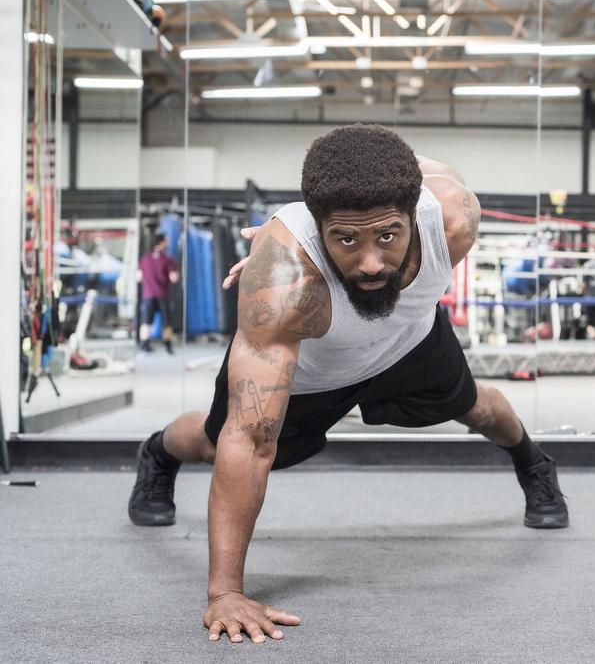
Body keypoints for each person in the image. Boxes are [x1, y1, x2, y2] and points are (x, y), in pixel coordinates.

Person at [127, 125, 569, 644]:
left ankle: (533, 463)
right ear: (317, 226)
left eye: (388, 235)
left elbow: (419, 168)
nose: (371, 262)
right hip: (312, 375)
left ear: (413, 212)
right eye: (346, 239)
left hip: (406, 342)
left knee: (477, 408)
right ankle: (158, 454)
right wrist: (225, 592)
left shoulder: (453, 219)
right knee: (215, 442)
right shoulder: (283, 281)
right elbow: (247, 441)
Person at [137, 232, 180, 354]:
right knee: (166, 322)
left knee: (146, 322)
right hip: (162, 295)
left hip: (148, 295)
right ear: (161, 243)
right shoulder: (167, 259)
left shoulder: (145, 258)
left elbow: (139, 278)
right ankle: (168, 346)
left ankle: (144, 345)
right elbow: (173, 278)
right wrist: (178, 274)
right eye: (166, 241)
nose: (167, 243)